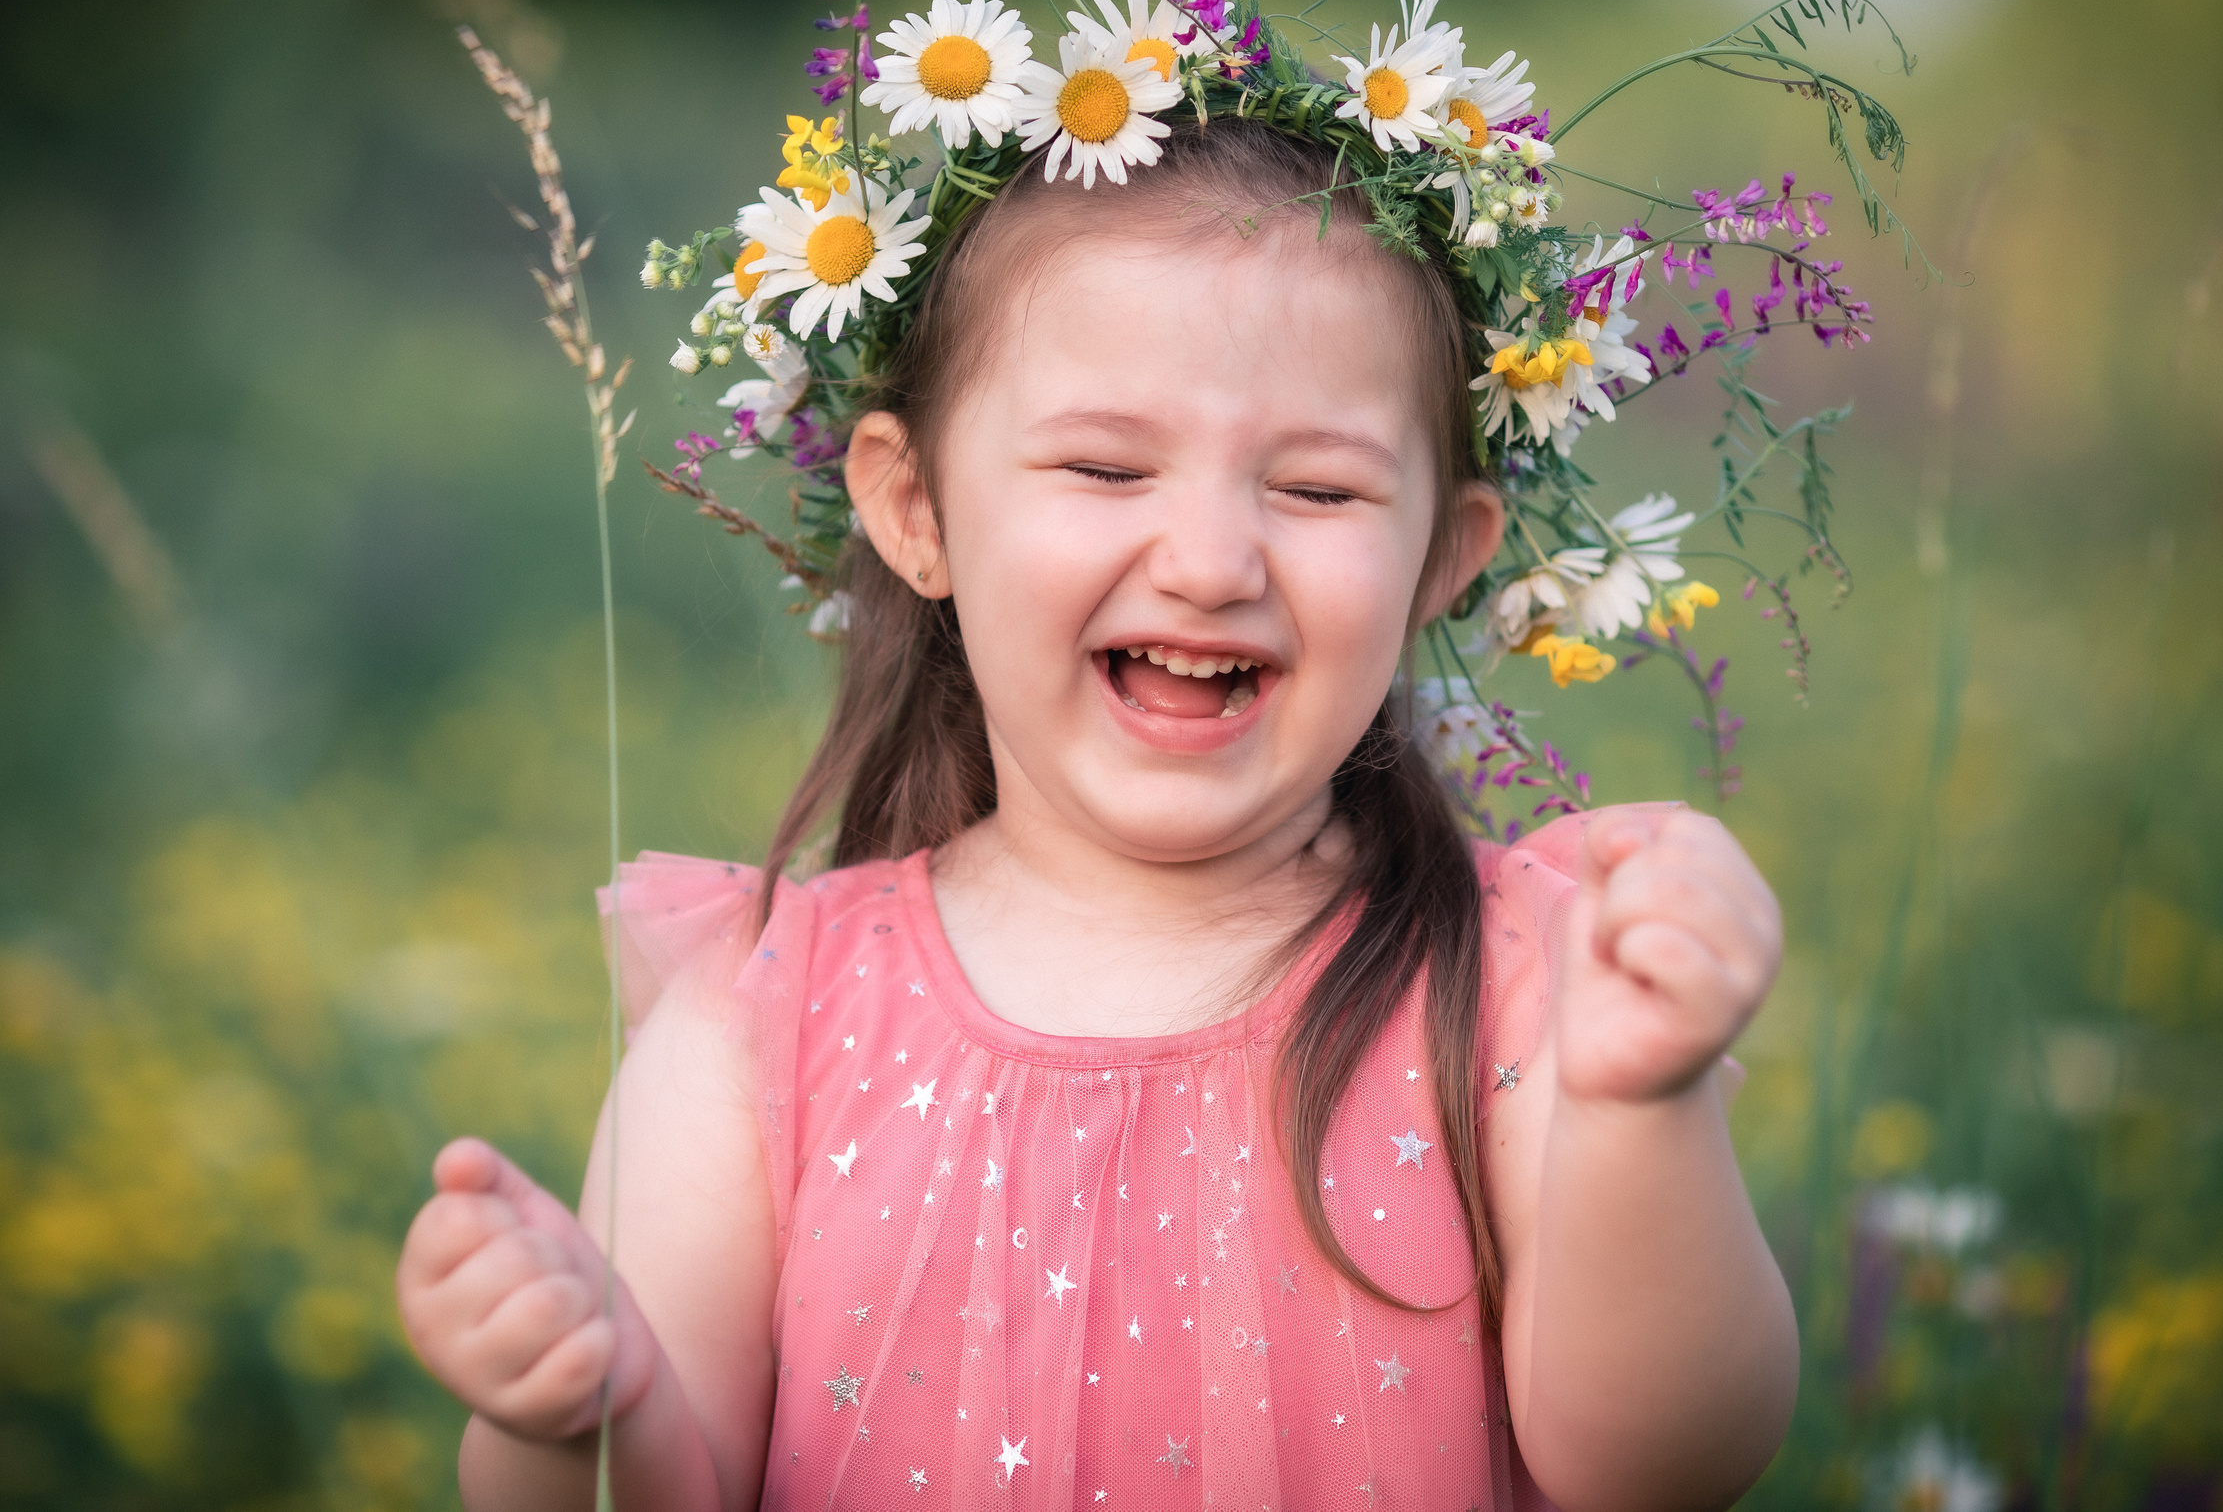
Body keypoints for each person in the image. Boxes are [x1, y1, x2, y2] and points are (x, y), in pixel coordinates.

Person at [394, 115, 1799, 1510]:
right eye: (1106, 469)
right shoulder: (769, 1018)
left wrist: (1639, 1110)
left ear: (1443, 557)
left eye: (1317, 487)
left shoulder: (1512, 990)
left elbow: (1660, 1470)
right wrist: (577, 1408)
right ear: (916, 506)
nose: (1207, 562)